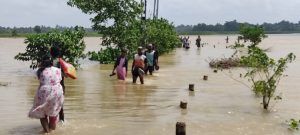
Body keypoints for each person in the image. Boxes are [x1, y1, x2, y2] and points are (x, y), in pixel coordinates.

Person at [28, 56, 64, 133]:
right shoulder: (57, 70)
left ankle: (47, 132)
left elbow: (40, 79)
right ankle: (52, 131)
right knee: (53, 112)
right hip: (57, 91)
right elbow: (60, 79)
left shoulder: (39, 71)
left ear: (42, 63)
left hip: (44, 91)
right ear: (51, 63)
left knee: (42, 113)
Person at [50, 46, 65, 122]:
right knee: (61, 106)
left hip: (50, 87)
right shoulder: (61, 62)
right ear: (59, 53)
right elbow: (65, 74)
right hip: (60, 86)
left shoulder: (48, 61)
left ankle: (51, 124)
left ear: (50, 52)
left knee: (50, 106)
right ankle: (62, 121)